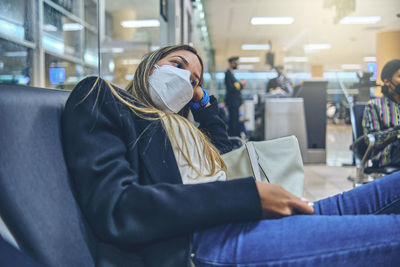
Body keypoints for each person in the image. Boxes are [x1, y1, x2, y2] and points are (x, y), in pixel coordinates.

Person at [62, 45, 400, 267]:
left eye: (194, 79)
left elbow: (222, 150)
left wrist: (201, 102)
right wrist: (245, 197)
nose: (185, 80)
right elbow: (119, 207)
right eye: (177, 66)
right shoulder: (104, 99)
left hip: (242, 220)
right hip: (200, 242)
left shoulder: (181, 125)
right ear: (150, 65)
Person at [362, 59, 400, 168]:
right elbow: (372, 139)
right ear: (387, 81)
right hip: (386, 155)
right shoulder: (374, 105)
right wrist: (396, 131)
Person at [224, 56, 246, 137]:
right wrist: (240, 84)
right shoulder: (228, 73)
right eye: (236, 63)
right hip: (232, 102)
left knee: (235, 120)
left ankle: (235, 136)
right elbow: (230, 87)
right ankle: (234, 138)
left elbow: (235, 87)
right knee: (233, 121)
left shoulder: (231, 74)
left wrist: (240, 85)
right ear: (232, 63)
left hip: (235, 102)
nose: (237, 64)